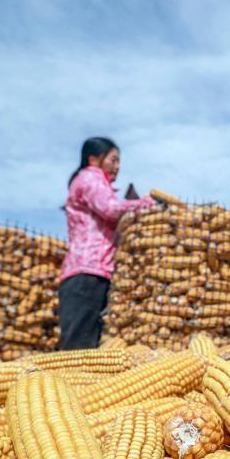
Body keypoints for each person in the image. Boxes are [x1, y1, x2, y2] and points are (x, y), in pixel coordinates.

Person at [58, 137, 155, 350]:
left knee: (91, 344)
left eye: (119, 161)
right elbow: (110, 209)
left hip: (96, 272)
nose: (117, 166)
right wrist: (146, 204)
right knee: (79, 345)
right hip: (86, 271)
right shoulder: (89, 178)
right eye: (113, 160)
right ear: (94, 159)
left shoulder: (96, 182)